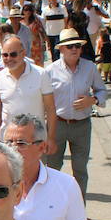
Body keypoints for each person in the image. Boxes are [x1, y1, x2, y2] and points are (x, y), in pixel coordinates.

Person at [2, 115, 87, 220]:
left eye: (21, 143)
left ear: (41, 148)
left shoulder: (66, 185)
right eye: (7, 143)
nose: (12, 149)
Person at [45, 28, 106, 197]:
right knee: (52, 169)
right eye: (69, 46)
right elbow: (44, 100)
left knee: (80, 170)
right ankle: (52, 210)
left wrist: (92, 100)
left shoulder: (90, 68)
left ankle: (78, 215)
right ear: (61, 49)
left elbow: (102, 91)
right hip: (58, 125)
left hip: (82, 125)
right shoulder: (50, 71)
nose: (74, 49)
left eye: (77, 46)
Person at [0, 37, 56, 148]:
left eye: (13, 54)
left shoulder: (41, 74)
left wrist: (51, 138)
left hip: (34, 141)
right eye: (5, 55)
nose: (9, 58)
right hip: (8, 142)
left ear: (23, 53)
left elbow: (51, 109)